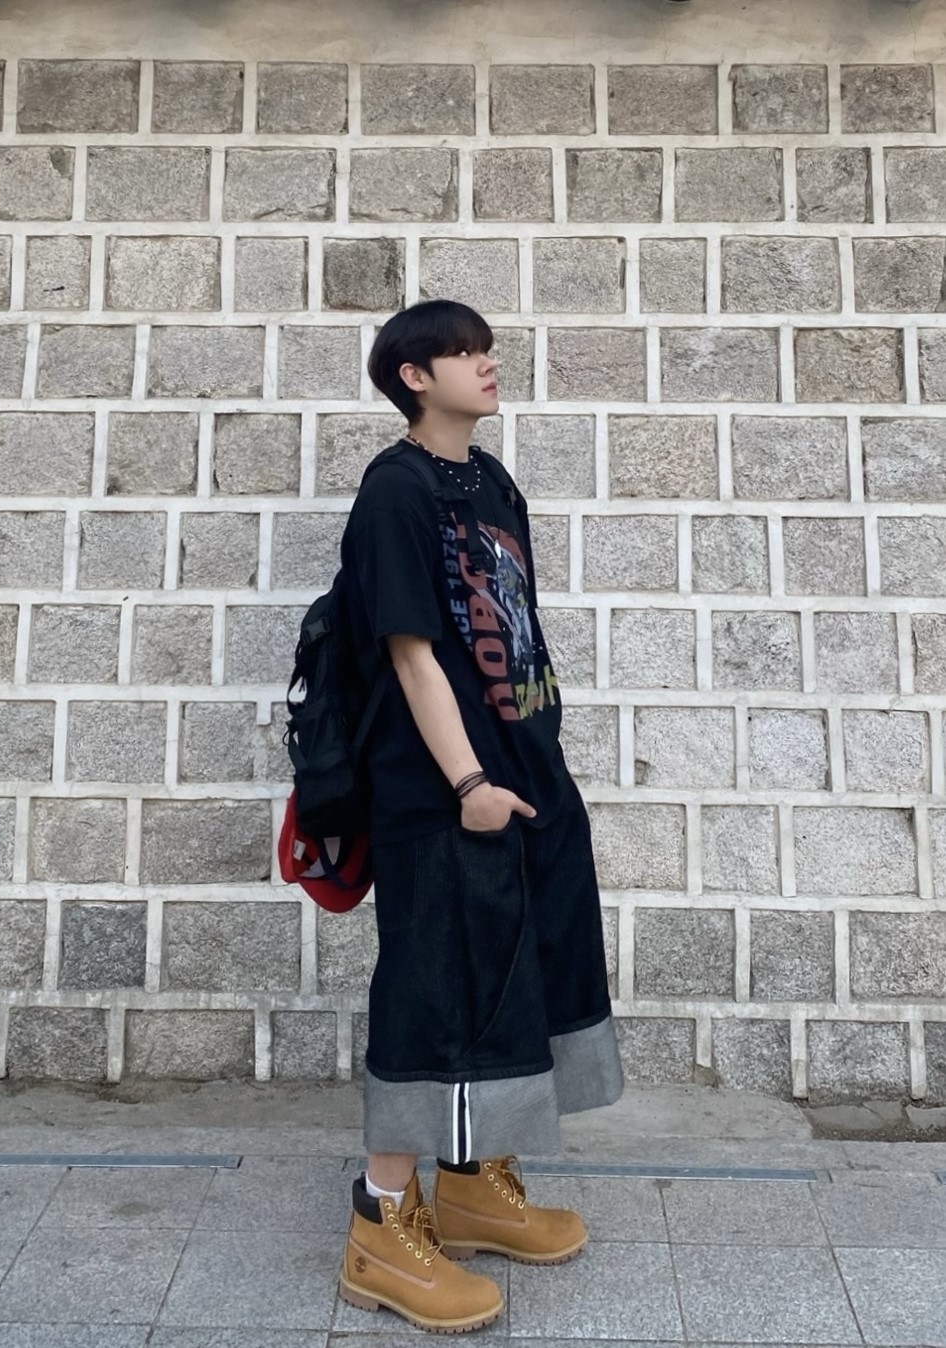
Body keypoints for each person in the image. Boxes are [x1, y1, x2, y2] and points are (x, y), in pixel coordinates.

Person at [337, 298, 625, 1334]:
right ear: (414, 376)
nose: (486, 362)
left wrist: (535, 768)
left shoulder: (491, 483)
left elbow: (513, 630)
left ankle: (466, 1189)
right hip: (439, 793)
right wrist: (465, 785)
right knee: (434, 986)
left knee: (515, 979)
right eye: (463, 351)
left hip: (521, 769)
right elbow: (412, 654)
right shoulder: (395, 491)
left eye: (486, 347)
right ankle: (380, 1222)